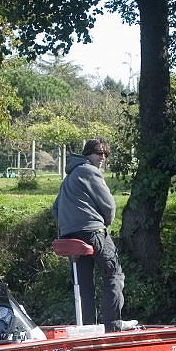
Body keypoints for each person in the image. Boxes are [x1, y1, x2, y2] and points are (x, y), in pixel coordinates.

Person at [52, 138, 137, 332]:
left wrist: (68, 225)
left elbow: (55, 208)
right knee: (114, 274)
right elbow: (109, 205)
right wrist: (105, 223)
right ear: (87, 153)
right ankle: (113, 325)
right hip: (93, 232)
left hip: (70, 237)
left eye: (106, 154)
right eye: (99, 153)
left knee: (83, 283)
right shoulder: (89, 170)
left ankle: (88, 328)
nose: (103, 158)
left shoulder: (70, 177)